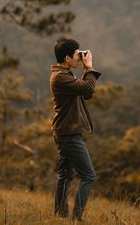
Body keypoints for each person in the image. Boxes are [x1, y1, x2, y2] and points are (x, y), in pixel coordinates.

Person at [50, 37, 101, 221]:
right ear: (66, 58)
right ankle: (76, 218)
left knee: (65, 175)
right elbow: (89, 88)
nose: (79, 58)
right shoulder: (61, 77)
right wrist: (88, 67)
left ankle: (60, 216)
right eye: (76, 55)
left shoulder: (64, 74)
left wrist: (85, 68)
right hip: (69, 135)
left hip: (65, 131)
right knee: (89, 175)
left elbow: (85, 93)